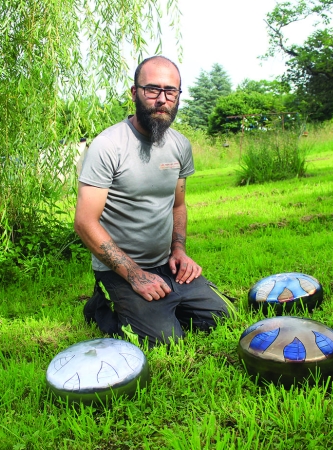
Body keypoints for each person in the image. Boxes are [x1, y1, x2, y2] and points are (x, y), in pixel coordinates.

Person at [74, 55, 233, 347]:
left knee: (223, 318)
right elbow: (85, 222)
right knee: (165, 340)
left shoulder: (180, 145)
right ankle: (102, 305)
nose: (162, 99)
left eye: (170, 91)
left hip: (165, 263)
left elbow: (178, 206)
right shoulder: (108, 145)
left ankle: (163, 303)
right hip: (119, 269)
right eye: (152, 90)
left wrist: (179, 250)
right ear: (135, 93)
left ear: (178, 96)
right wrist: (134, 274)